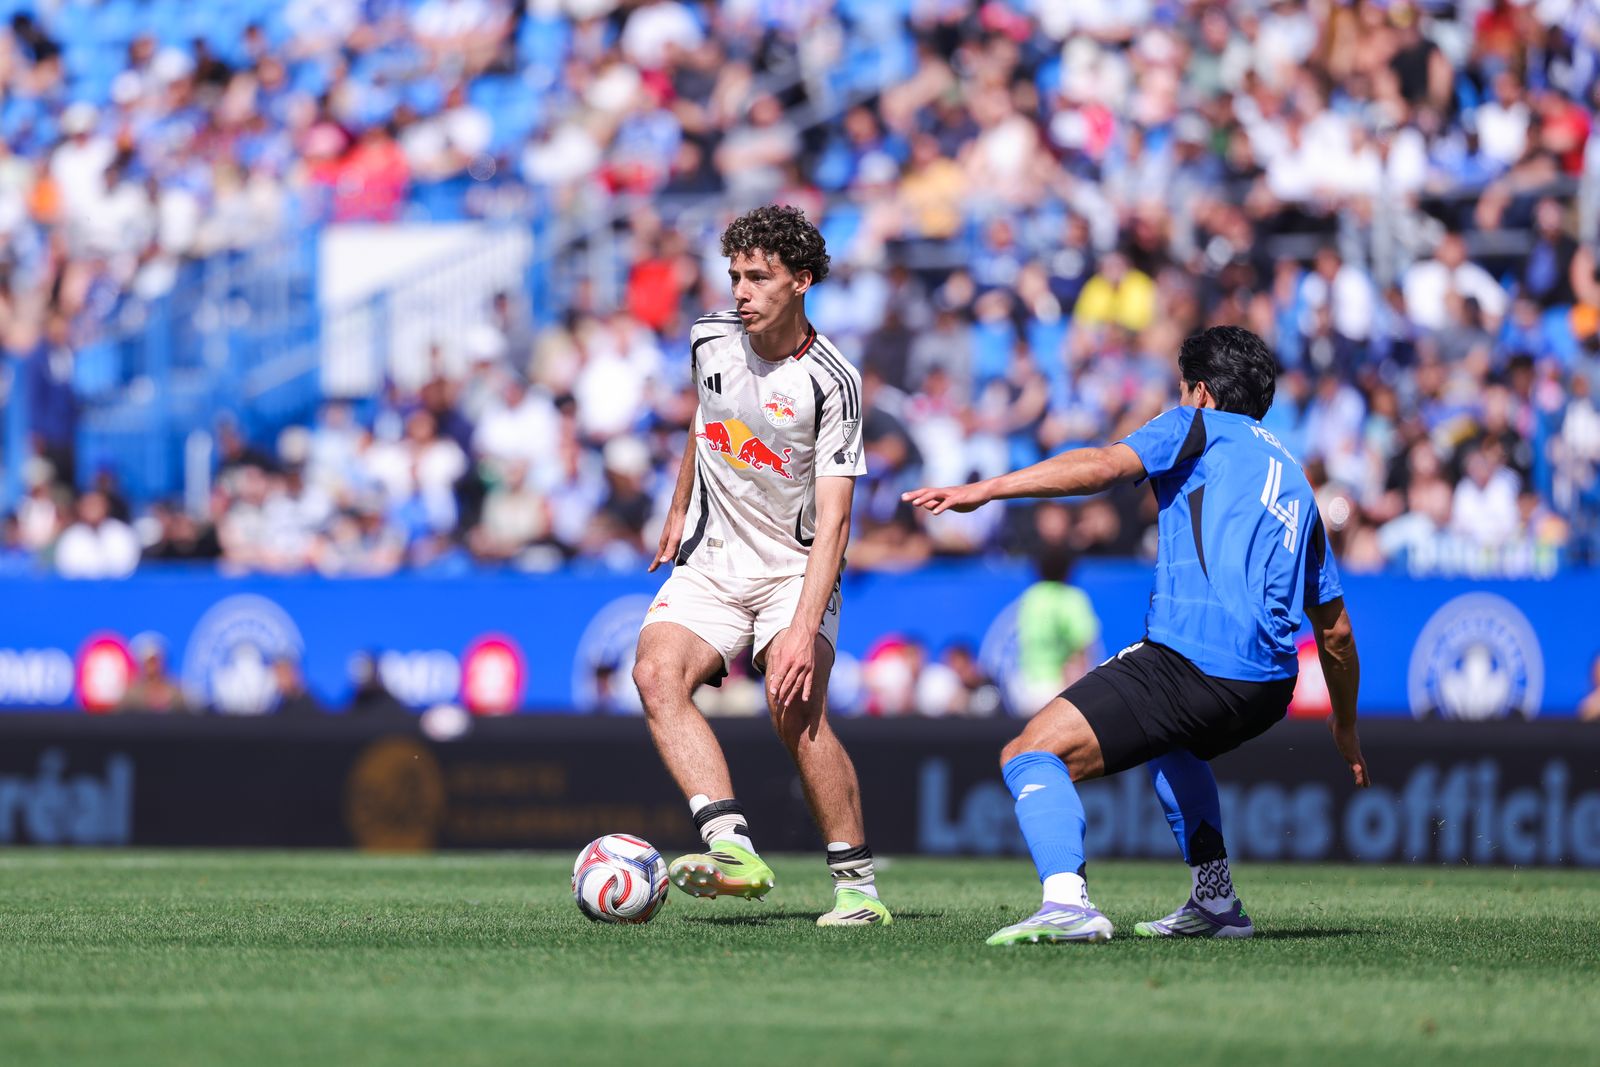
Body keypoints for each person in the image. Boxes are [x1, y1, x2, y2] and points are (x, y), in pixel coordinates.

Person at [904, 326, 1369, 945]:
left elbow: (1099, 465)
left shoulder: (1196, 425)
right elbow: (1334, 632)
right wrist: (1344, 725)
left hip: (1193, 662)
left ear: (1199, 391)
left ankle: (1066, 902)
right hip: (1269, 684)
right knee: (1172, 744)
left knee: (1028, 751)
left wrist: (987, 489)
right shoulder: (1296, 479)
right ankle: (1217, 901)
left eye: (1182, 388)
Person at [633, 204, 889, 927]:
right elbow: (705, 415)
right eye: (735, 275)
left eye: (758, 278)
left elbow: (837, 518)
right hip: (713, 555)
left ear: (801, 281)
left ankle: (859, 889)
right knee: (655, 674)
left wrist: (803, 629)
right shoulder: (710, 337)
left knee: (794, 706)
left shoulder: (833, 380)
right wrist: (679, 504)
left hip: (793, 565)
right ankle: (732, 847)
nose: (741, 291)